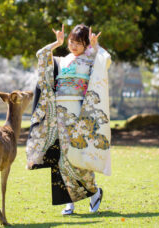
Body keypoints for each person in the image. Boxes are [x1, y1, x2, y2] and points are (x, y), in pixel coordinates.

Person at [26, 23, 111, 215]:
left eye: (79, 43)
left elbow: (105, 61)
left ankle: (95, 191)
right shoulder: (62, 60)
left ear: (86, 44)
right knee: (61, 158)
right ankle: (68, 202)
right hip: (60, 112)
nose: (73, 46)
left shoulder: (91, 59)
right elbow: (41, 55)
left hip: (79, 112)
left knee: (78, 156)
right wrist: (57, 43)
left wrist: (96, 47)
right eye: (72, 42)